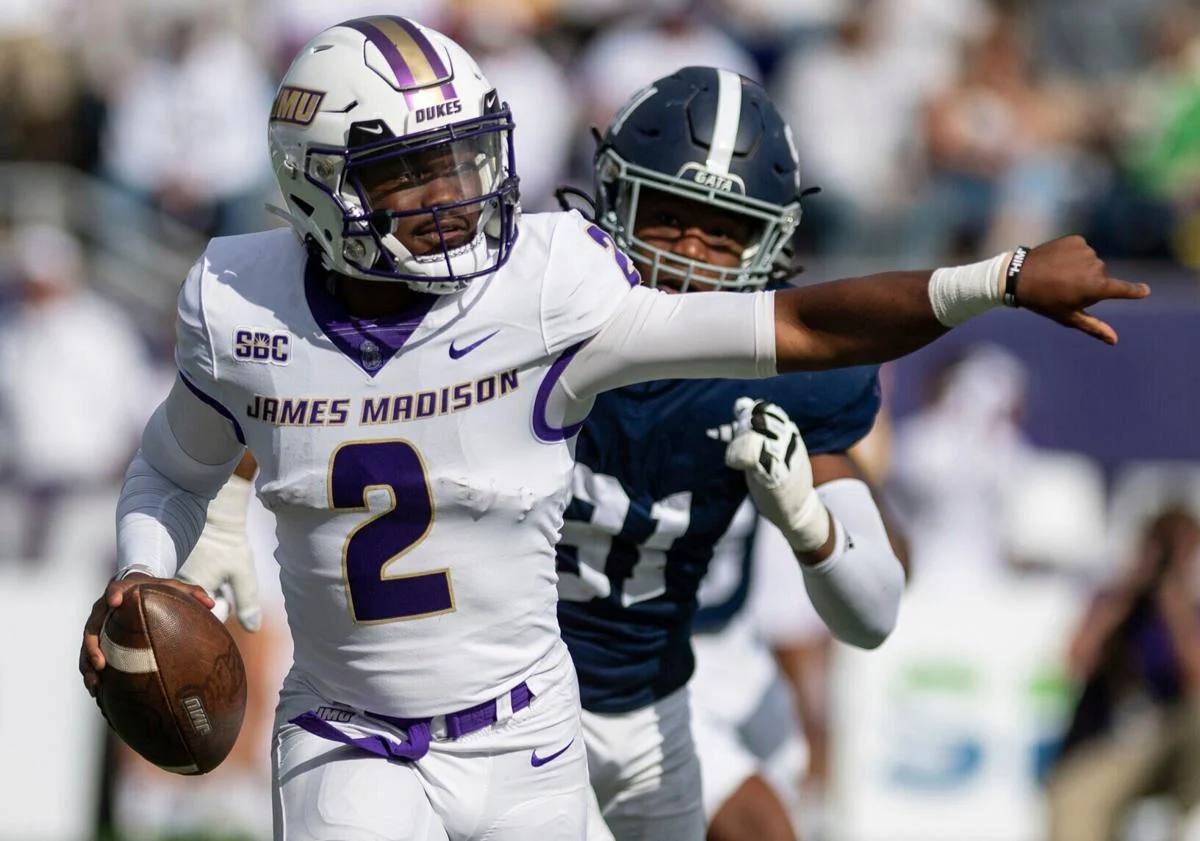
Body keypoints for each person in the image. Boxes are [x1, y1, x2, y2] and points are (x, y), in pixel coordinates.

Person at [76, 16, 1145, 841]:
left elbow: (816, 353)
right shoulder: (287, 300)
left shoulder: (558, 290)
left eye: (463, 162)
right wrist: (166, 547)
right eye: (413, 178)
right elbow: (211, 442)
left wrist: (989, 283)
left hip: (591, 697)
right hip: (362, 719)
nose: (453, 200)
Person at [552, 66, 908, 841]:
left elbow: (878, 603)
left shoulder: (787, 378)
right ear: (615, 199)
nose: (687, 254)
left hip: (683, 665)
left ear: (770, 243)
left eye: (722, 231)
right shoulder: (529, 318)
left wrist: (811, 519)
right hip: (507, 671)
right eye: (667, 216)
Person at [1047, 504, 1200, 841]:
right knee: (1075, 808)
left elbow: (1194, 679)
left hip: (1169, 746)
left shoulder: (1189, 611)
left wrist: (1174, 606)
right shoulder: (1114, 600)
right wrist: (1129, 593)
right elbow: (1076, 661)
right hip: (1110, 744)